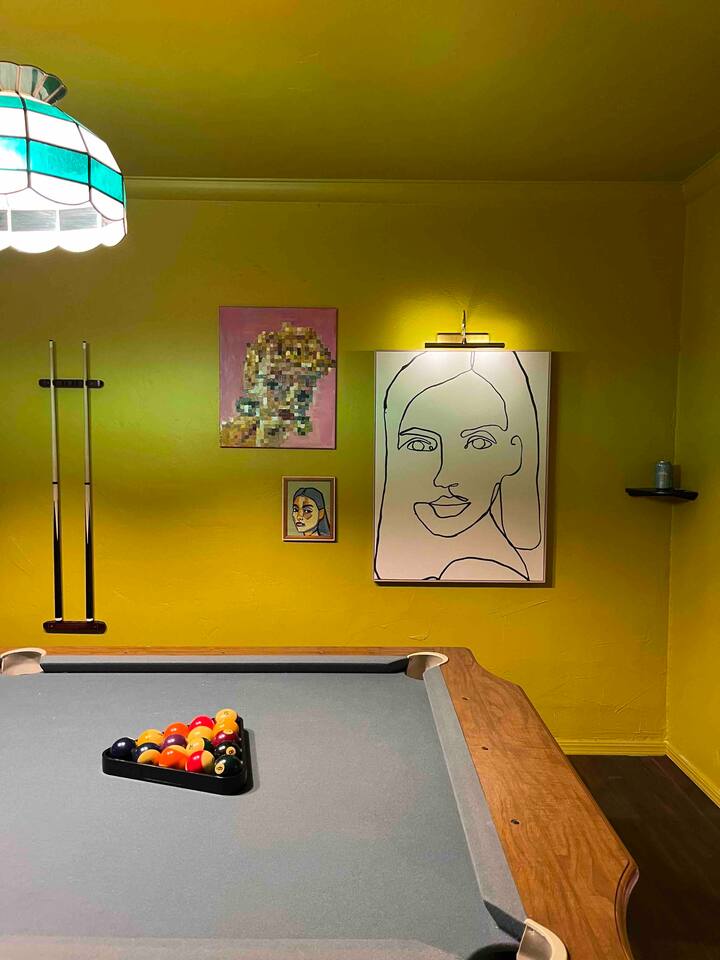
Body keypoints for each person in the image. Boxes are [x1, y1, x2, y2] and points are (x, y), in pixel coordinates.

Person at [374, 350, 543, 582]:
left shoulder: (481, 570)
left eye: (478, 442)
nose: (444, 478)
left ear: (514, 453)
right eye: (420, 445)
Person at [220, 323, 334, 447]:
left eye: (303, 393)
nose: (290, 400)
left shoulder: (315, 444)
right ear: (250, 380)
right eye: (275, 385)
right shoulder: (224, 441)